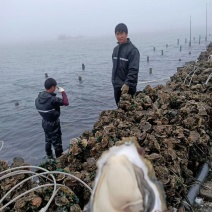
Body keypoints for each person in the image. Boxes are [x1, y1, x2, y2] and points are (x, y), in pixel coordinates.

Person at [35, 78, 69, 159]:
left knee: (48, 140)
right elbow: (66, 102)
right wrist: (63, 92)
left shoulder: (39, 97)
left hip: (44, 121)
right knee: (57, 143)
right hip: (53, 123)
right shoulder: (52, 99)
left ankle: (49, 156)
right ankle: (59, 159)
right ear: (53, 87)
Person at [112, 23, 140, 106]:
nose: (119, 36)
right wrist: (113, 81)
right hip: (116, 86)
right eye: (117, 34)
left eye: (121, 34)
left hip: (128, 88)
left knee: (129, 112)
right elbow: (114, 68)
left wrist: (127, 84)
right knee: (119, 110)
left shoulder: (133, 50)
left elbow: (134, 70)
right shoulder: (115, 50)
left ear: (126, 34)